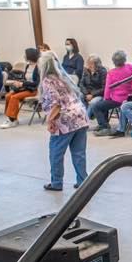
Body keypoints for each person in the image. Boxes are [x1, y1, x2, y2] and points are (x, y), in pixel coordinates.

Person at [38, 53, 89, 191]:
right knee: (79, 153)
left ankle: (56, 182)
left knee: (56, 153)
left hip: (65, 120)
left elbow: (56, 104)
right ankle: (83, 181)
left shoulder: (48, 81)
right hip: (80, 117)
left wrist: (49, 121)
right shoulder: (64, 78)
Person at [94, 51, 132, 136]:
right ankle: (105, 126)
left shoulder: (111, 73)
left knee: (97, 106)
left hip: (116, 100)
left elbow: (107, 89)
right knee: (102, 105)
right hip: (129, 97)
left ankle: (104, 126)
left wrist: (106, 99)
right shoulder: (129, 67)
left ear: (113, 61)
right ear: (124, 59)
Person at [0, 48, 41, 129]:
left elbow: (36, 83)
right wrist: (18, 83)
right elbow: (25, 79)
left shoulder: (38, 68)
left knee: (14, 97)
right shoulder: (28, 66)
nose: (24, 56)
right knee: (8, 95)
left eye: (25, 54)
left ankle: (12, 120)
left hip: (34, 90)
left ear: (30, 55)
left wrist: (23, 83)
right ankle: (10, 118)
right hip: (26, 88)